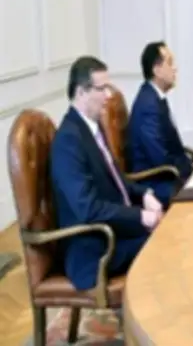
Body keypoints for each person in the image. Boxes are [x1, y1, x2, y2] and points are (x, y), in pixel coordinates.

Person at [50, 56, 162, 291]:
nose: (109, 96)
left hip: (115, 232)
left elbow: (117, 180)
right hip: (95, 250)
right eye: (102, 89)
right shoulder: (69, 140)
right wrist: (140, 217)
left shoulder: (90, 127)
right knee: (166, 245)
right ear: (81, 92)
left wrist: (145, 194)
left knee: (171, 229)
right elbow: (88, 208)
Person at [127, 42, 193, 206]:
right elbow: (160, 158)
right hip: (156, 182)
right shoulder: (148, 105)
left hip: (167, 175)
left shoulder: (154, 97)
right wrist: (189, 170)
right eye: (170, 63)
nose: (175, 69)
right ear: (157, 70)